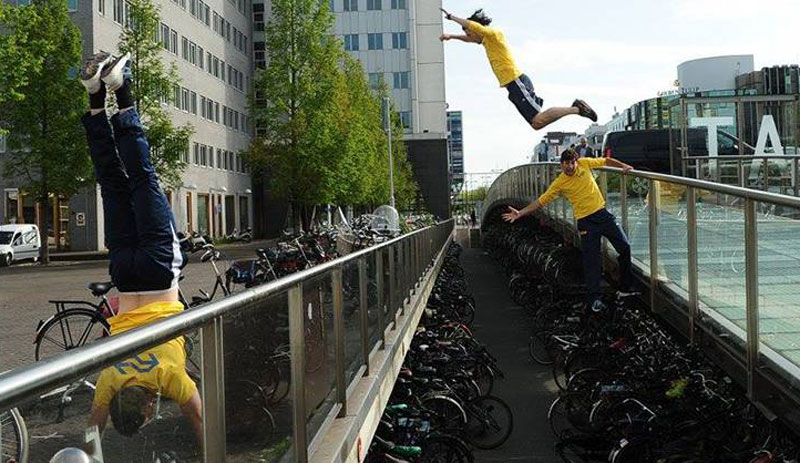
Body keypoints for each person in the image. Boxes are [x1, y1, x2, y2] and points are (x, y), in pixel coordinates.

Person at [79, 51, 203, 445]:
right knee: (111, 181)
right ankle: (95, 95)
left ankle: (121, 88)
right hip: (124, 274)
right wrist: (89, 453)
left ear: (149, 407)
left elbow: (198, 415)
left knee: (142, 177)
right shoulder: (110, 379)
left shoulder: (169, 377)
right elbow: (93, 424)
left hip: (157, 272)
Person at [502, 149, 635, 312]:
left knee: (625, 246)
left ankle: (625, 287)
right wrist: (520, 213)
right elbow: (541, 201)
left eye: (572, 163)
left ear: (576, 162)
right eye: (566, 164)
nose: (570, 166)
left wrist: (623, 166)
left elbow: (606, 161)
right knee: (592, 261)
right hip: (586, 222)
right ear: (561, 165)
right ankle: (594, 300)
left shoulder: (585, 163)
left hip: (602, 215)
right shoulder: (560, 182)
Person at [440, 8, 598, 131]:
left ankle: (577, 108)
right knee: (536, 124)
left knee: (538, 119)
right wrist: (452, 37)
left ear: (478, 29)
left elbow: (473, 27)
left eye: (470, 33)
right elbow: (471, 39)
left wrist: (452, 17)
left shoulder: (494, 34)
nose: (470, 37)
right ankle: (576, 109)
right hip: (513, 86)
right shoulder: (486, 41)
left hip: (516, 81)